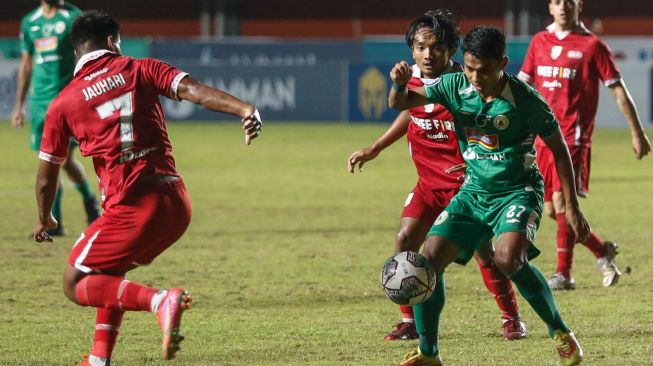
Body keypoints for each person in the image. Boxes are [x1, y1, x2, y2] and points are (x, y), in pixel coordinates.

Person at [33, 10, 262, 366]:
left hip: (131, 207)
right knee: (109, 271)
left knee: (73, 281)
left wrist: (45, 217)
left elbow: (47, 175)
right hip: (175, 203)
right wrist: (244, 108)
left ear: (77, 52)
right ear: (111, 41)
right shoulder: (141, 68)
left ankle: (160, 301)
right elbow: (194, 91)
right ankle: (98, 359)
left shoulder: (64, 103)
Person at [388, 26, 590, 366]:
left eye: (484, 70)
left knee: (507, 259)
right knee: (427, 261)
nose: (475, 77)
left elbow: (558, 150)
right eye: (469, 68)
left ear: (503, 64)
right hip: (474, 192)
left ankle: (561, 333)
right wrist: (398, 82)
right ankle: (429, 352)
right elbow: (400, 103)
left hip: (518, 191)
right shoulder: (454, 85)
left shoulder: (525, 99)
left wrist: (571, 206)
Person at [347, 10, 526, 342]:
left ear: (451, 50)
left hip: (466, 187)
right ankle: (410, 320)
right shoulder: (412, 80)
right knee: (405, 239)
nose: (429, 54)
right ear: (412, 50)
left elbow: (490, 127)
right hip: (429, 184)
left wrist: (477, 161)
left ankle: (511, 317)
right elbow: (408, 113)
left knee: (484, 253)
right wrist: (375, 148)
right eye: (421, 47)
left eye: (437, 47)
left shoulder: (466, 83)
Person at [518, 0, 651, 290]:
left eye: (569, 1)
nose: (563, 6)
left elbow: (617, 89)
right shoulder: (540, 41)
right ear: (550, 7)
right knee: (554, 210)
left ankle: (564, 274)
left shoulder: (593, 46)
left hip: (573, 139)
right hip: (543, 137)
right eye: (556, 1)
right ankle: (602, 250)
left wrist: (637, 132)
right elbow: (522, 85)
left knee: (565, 204)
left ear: (579, 5)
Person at [13, 0, 101, 235]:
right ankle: (86, 205)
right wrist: (19, 105)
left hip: (69, 99)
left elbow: (90, 56)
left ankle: (59, 219)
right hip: (40, 103)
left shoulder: (74, 17)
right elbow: (26, 64)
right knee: (53, 160)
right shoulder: (30, 22)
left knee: (60, 160)